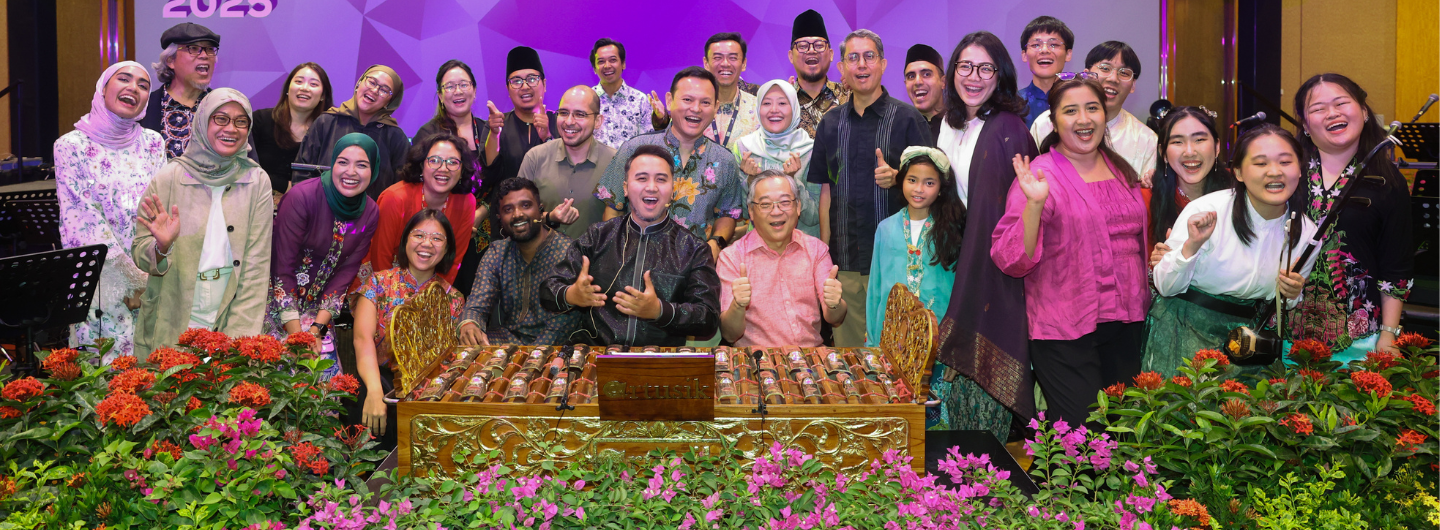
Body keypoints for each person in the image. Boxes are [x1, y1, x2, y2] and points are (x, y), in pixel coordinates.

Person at [991, 78, 1148, 428]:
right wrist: (1034, 204)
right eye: (1071, 110)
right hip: (1065, 329)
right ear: (1054, 121)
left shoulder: (1122, 170)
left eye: (1092, 108)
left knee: (1125, 433)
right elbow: (1011, 258)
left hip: (1125, 322)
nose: (1084, 119)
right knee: (1084, 438)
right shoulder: (1039, 175)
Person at [1145, 125, 1317, 378]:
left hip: (1246, 338)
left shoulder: (1306, 233)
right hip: (1183, 327)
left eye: (1285, 161)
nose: (1275, 172)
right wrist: (1190, 246)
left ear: (1300, 169)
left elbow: (1283, 301)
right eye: (1260, 163)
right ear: (1238, 171)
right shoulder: (1206, 210)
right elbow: (1166, 287)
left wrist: (1292, 293)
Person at [934, 32, 1043, 431]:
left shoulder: (1008, 128)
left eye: (985, 68)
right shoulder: (948, 124)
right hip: (954, 260)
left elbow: (1009, 212)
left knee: (983, 382)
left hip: (994, 270)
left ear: (1001, 75)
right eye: (965, 66)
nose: (974, 76)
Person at [808, 29, 934, 347]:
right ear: (841, 68)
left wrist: (899, 179)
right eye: (853, 57)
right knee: (850, 361)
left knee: (898, 355)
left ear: (882, 64)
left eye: (869, 56)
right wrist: (825, 255)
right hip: (846, 259)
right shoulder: (830, 123)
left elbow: (934, 188)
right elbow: (826, 192)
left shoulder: (908, 120)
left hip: (898, 258)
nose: (861, 65)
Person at [131, 88, 272, 355]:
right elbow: (141, 253)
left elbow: (256, 266)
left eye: (241, 121)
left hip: (229, 315)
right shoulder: (169, 177)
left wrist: (238, 341)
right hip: (174, 317)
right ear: (202, 121)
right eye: (220, 118)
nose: (231, 128)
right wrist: (160, 247)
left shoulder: (257, 181)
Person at [1288, 73, 1414, 361]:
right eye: (1318, 108)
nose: (1332, 113)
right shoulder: (1286, 173)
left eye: (1341, 103)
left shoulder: (1388, 180)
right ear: (1306, 126)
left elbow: (1396, 265)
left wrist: (1388, 334)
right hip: (1283, 334)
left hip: (1358, 340)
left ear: (1364, 112)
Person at [542, 145, 721, 347]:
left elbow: (708, 319)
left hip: (660, 362)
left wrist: (660, 311)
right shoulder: (598, 236)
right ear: (626, 188)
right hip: (598, 357)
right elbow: (547, 292)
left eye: (661, 179)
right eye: (642, 178)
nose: (651, 187)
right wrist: (571, 295)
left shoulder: (693, 249)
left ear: (673, 191)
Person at [54, 61, 166, 361]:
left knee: (156, 375)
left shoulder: (154, 143)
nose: (134, 88)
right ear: (103, 88)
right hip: (102, 281)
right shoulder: (71, 146)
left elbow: (161, 209)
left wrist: (149, 277)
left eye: (143, 85)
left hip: (152, 275)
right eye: (124, 79)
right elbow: (81, 220)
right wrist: (131, 280)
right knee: (109, 379)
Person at [595, 67, 745, 261]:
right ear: (669, 100)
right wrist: (617, 251)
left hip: (694, 270)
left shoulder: (724, 160)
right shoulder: (635, 149)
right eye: (687, 100)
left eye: (705, 102)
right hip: (635, 263)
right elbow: (613, 206)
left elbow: (727, 213)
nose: (696, 109)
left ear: (716, 107)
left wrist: (716, 243)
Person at [266, 133, 379, 379]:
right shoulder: (302, 197)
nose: (351, 172)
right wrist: (297, 335)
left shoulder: (370, 211)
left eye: (362, 165)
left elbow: (347, 271)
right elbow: (281, 268)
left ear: (374, 170)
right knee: (278, 387)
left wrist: (317, 328)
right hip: (275, 310)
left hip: (319, 315)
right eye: (342, 162)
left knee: (327, 393)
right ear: (332, 164)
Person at [350, 209, 464, 451]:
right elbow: (362, 339)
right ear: (405, 241)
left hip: (430, 392)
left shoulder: (453, 299)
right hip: (380, 381)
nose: (426, 244)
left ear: (446, 248)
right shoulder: (379, 283)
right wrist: (374, 391)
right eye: (419, 235)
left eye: (437, 238)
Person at [717, 170, 844, 347]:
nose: (776, 211)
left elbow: (835, 318)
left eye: (785, 202)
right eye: (765, 204)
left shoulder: (816, 249)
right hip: (757, 363)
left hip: (810, 359)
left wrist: (835, 304)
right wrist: (738, 306)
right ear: (751, 212)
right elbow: (730, 335)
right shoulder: (732, 258)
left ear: (798, 207)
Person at [459, 178, 581, 346]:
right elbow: (477, 303)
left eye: (526, 205)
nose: (517, 214)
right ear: (499, 218)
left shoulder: (568, 252)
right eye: (508, 209)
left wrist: (527, 358)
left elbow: (563, 324)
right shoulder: (497, 252)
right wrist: (470, 324)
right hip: (509, 341)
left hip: (557, 346)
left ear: (540, 211)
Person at [1029, 42, 1157, 182]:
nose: (1113, 78)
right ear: (1086, 75)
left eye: (1124, 73)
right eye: (1105, 68)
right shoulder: (1045, 124)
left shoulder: (1146, 139)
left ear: (1133, 85)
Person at [367, 132, 477, 285]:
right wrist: (394, 297)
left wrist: (433, 296)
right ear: (421, 165)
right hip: (382, 280)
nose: (443, 168)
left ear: (462, 170)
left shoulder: (466, 203)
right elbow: (380, 257)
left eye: (452, 162)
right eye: (434, 161)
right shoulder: (395, 198)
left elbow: (452, 261)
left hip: (429, 283)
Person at [293, 65, 410, 201]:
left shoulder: (395, 136)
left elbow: (401, 188)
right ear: (359, 83)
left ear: (389, 102)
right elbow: (302, 170)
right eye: (371, 82)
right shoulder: (326, 122)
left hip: (372, 217)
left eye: (384, 90)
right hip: (320, 212)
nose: (374, 90)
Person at [516, 85, 617, 241]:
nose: (569, 121)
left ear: (598, 121)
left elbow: (622, 224)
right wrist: (549, 218)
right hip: (540, 261)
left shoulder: (614, 162)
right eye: (563, 113)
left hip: (593, 262)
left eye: (580, 114)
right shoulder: (535, 158)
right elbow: (517, 217)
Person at [732, 80, 820, 238]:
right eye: (766, 103)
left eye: (782, 103)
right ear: (758, 108)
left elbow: (814, 216)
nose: (774, 110)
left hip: (802, 248)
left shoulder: (811, 150)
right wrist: (751, 180)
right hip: (757, 248)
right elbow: (743, 213)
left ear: (794, 109)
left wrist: (793, 181)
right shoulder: (744, 148)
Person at [1143, 106, 1231, 250]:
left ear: (1217, 146)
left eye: (1199, 140)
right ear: (1163, 153)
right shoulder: (1146, 200)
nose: (1190, 152)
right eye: (1177, 142)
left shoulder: (1239, 191)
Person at [653, 34, 758, 151]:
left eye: (733, 58)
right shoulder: (691, 108)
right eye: (717, 58)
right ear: (706, 63)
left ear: (743, 63)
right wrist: (661, 120)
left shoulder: (759, 108)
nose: (725, 64)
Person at [252, 62, 333, 202]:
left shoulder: (327, 133)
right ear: (288, 89)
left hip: (304, 209)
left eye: (313, 84)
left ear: (322, 96)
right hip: (256, 202)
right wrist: (283, 186)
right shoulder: (260, 120)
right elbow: (244, 165)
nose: (304, 88)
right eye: (298, 81)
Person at [141, 22, 218, 159]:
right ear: (171, 60)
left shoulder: (224, 106)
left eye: (210, 49)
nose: (205, 55)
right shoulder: (143, 109)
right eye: (194, 49)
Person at [789, 9, 850, 137]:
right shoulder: (782, 101)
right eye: (802, 46)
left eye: (819, 45)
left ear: (831, 54)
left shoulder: (850, 97)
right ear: (791, 56)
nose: (811, 50)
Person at [413, 60, 492, 157]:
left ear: (474, 91)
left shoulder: (489, 131)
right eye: (450, 86)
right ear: (440, 96)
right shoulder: (427, 134)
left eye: (464, 85)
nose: (458, 91)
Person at [590, 38, 653, 148]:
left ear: (623, 64)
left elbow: (647, 144)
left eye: (613, 60)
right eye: (601, 62)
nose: (607, 66)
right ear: (594, 69)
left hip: (629, 165)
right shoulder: (587, 100)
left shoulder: (640, 100)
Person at [1016, 16, 1074, 127]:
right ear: (1024, 55)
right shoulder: (1012, 105)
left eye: (1054, 45)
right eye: (1036, 45)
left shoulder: (1079, 102)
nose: (1044, 50)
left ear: (1068, 54)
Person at [903, 44, 947, 138]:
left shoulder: (961, 126)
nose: (918, 82)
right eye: (911, 76)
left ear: (943, 82)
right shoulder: (900, 130)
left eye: (926, 74)